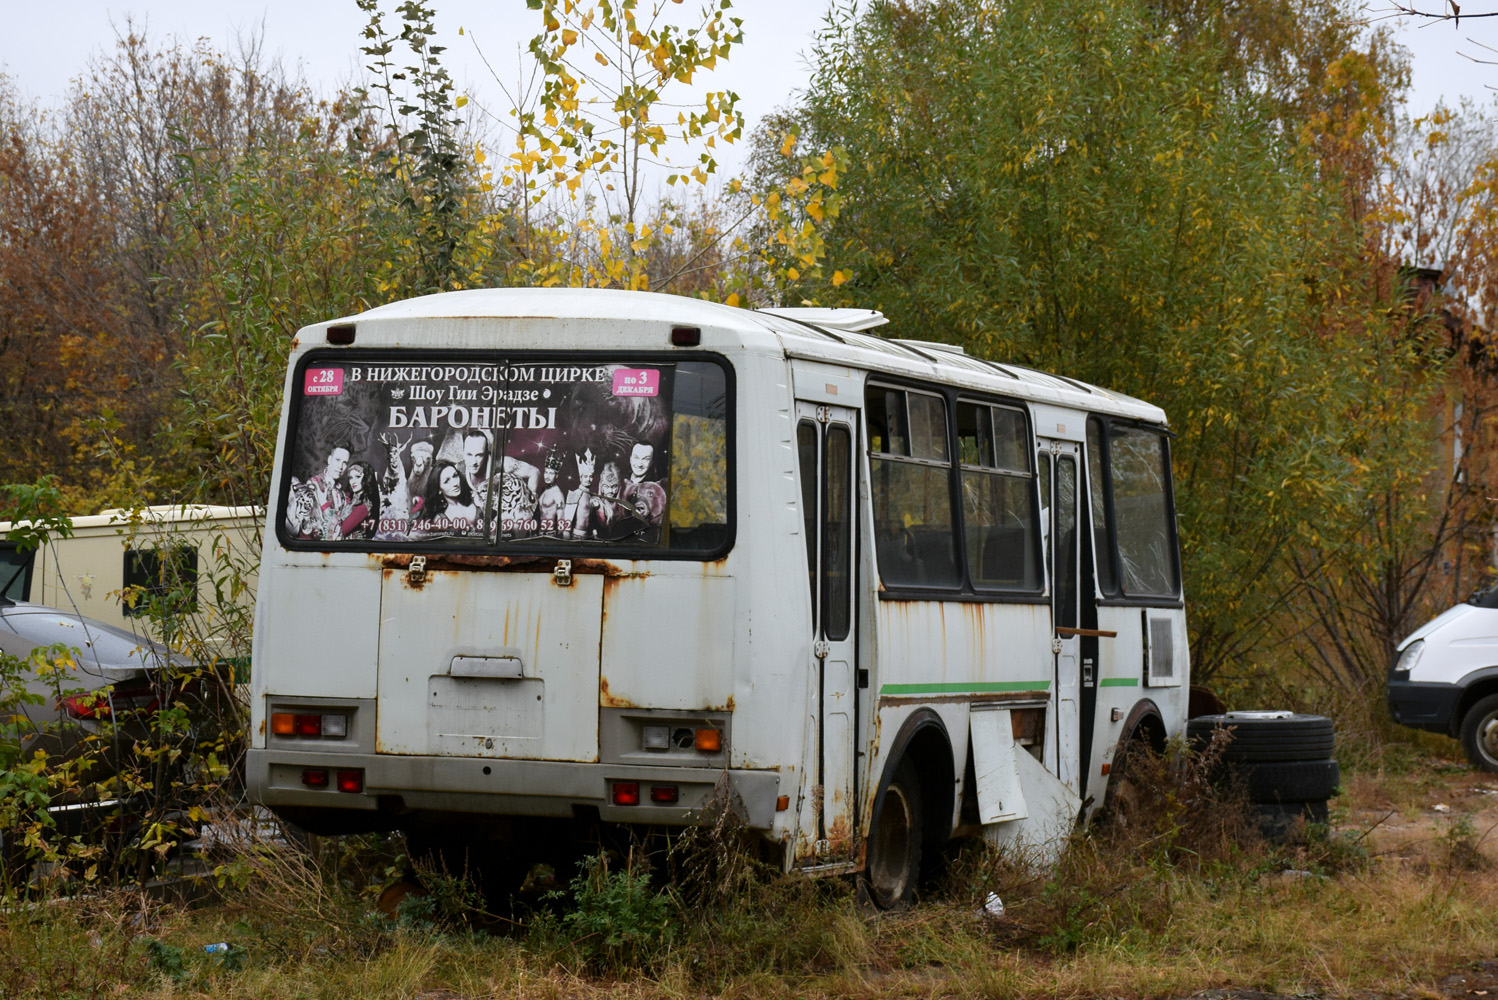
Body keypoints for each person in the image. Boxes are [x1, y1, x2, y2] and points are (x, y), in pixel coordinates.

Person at [287, 442, 353, 540]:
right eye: (338, 460)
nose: (340, 467)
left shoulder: (342, 493)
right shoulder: (314, 485)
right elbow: (310, 528)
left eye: (345, 463)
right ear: (330, 460)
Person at [414, 460, 478, 533]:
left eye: (455, 476)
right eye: (447, 481)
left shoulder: (475, 499)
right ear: (439, 489)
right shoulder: (439, 520)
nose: (455, 483)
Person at [340, 460, 381, 539]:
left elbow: (341, 531)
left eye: (357, 477)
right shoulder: (352, 498)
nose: (353, 482)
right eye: (351, 478)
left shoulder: (363, 506)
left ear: (366, 478)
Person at [536, 447, 566, 535]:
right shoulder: (544, 490)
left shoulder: (557, 494)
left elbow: (561, 518)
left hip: (551, 533)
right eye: (546, 472)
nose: (547, 476)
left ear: (556, 476)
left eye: (551, 473)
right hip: (540, 532)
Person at [463, 430, 492, 510]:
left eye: (479, 455)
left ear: (486, 454)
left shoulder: (501, 465)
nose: (473, 462)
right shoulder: (456, 471)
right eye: (469, 455)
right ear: (463, 453)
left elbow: (530, 471)